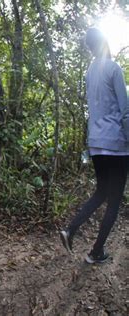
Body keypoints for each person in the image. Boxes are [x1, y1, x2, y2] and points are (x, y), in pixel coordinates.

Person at [59, 27, 128, 264]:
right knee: (114, 199)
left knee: (102, 191)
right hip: (117, 144)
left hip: (96, 143)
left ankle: (71, 230)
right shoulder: (113, 68)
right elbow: (125, 110)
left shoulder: (91, 71)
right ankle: (96, 252)